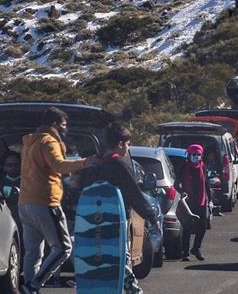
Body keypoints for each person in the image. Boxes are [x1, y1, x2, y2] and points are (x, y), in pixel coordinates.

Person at [19, 107, 97, 294]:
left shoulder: (29, 143)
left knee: (33, 252)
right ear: (54, 125)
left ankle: (28, 287)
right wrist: (85, 162)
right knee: (63, 248)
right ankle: (33, 285)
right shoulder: (49, 142)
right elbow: (59, 165)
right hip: (45, 201)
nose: (65, 129)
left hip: (25, 202)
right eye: (63, 125)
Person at [77, 123, 160, 294]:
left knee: (97, 261)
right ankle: (135, 292)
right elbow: (135, 195)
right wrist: (152, 218)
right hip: (117, 221)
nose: (128, 147)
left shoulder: (93, 165)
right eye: (128, 144)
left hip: (90, 222)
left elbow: (80, 191)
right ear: (121, 143)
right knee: (121, 259)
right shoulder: (119, 166)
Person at [177, 144, 213, 261]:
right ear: (189, 155)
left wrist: (210, 200)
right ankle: (185, 252)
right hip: (188, 202)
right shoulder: (183, 167)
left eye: (198, 155)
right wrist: (182, 192)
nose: (196, 157)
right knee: (187, 227)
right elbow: (176, 184)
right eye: (193, 155)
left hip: (201, 201)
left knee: (202, 227)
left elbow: (206, 183)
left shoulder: (203, 167)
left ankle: (196, 248)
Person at [0, 151, 22, 226]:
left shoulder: (28, 181)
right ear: (4, 167)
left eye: (16, 165)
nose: (13, 167)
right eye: (9, 165)